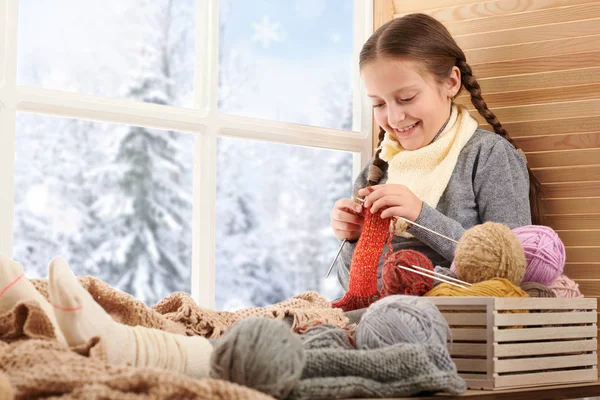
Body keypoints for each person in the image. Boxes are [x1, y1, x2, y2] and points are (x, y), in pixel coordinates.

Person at [330, 13, 542, 291]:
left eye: (407, 98)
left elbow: (515, 271)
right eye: (379, 104)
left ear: (451, 83)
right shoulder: (376, 171)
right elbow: (353, 291)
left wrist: (421, 216)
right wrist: (354, 239)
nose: (393, 117)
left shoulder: (488, 156)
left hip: (452, 322)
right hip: (379, 321)